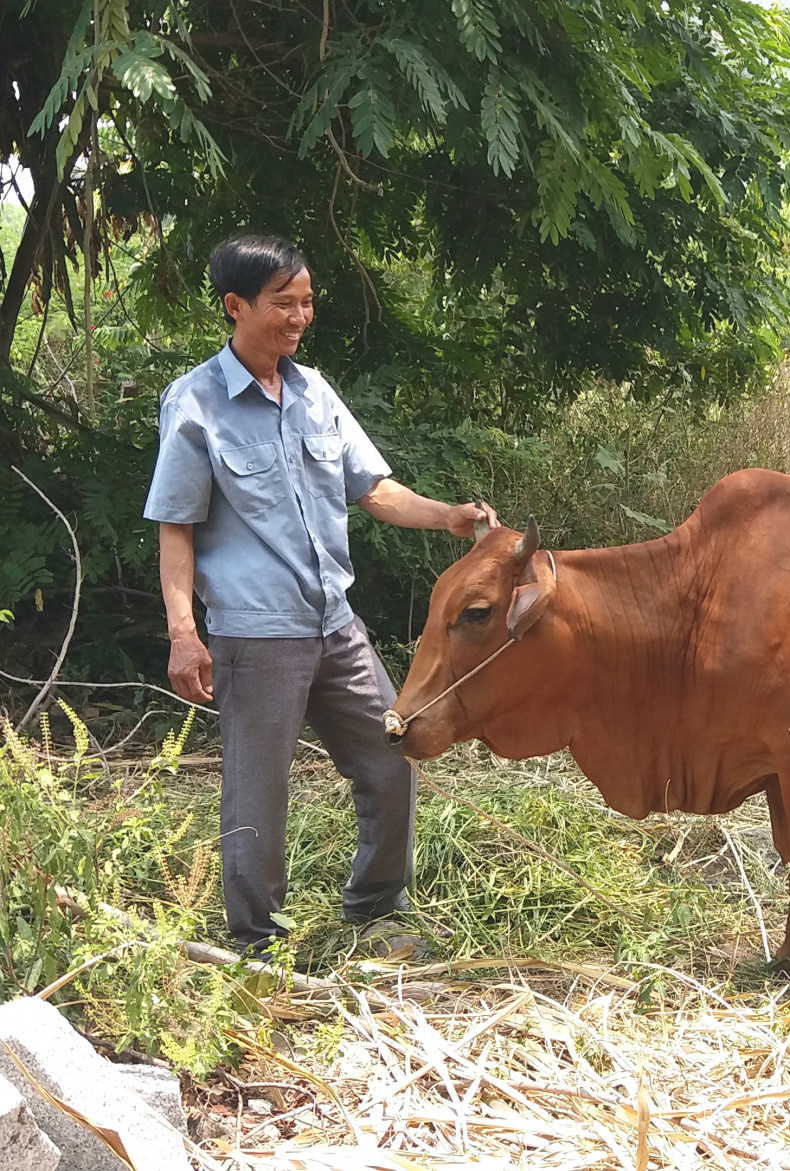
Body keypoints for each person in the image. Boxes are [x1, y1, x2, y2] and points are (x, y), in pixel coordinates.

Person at [144, 232, 497, 954]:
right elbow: (175, 529)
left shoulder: (314, 393)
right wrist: (185, 631)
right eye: (284, 303)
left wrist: (449, 517)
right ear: (235, 306)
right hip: (254, 633)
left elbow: (375, 489)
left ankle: (375, 910)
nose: (300, 317)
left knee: (394, 753)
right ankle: (257, 946)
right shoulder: (196, 404)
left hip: (335, 624)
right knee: (257, 794)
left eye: (307, 302)